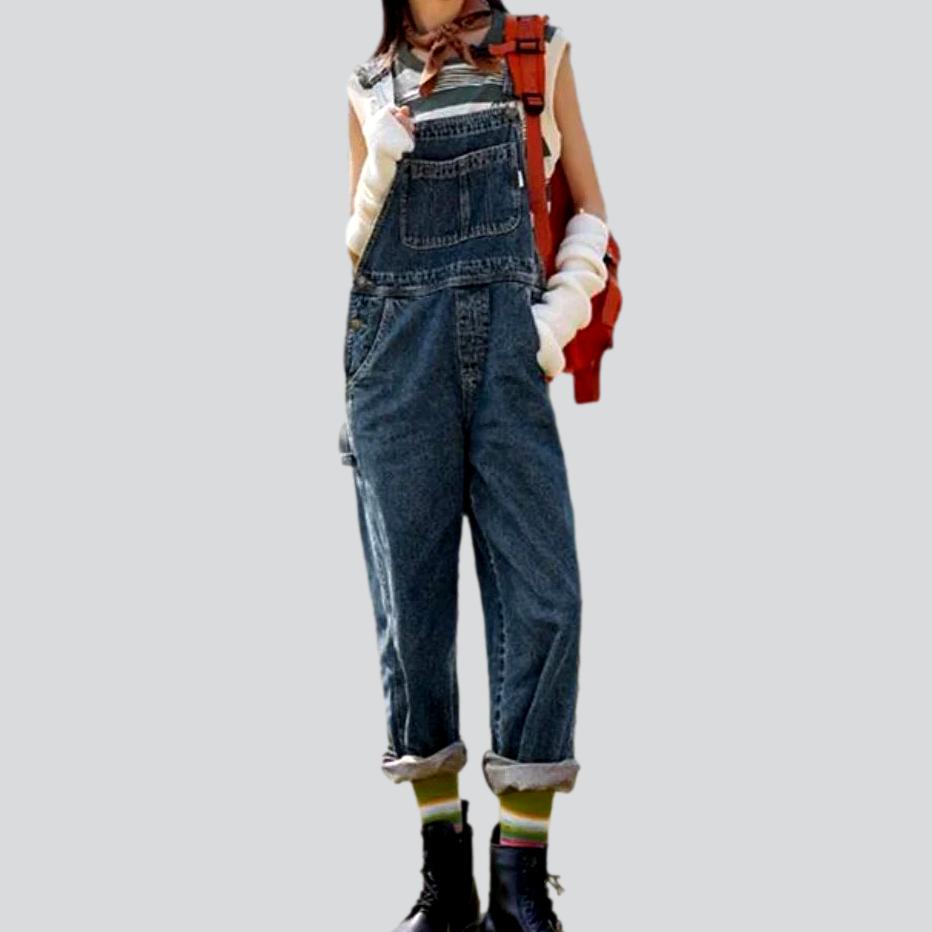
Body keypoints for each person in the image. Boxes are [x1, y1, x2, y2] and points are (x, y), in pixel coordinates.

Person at [339, 1, 610, 929]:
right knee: (412, 616)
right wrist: (379, 162)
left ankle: (521, 886)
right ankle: (445, 878)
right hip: (394, 359)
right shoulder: (367, 86)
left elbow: (590, 212)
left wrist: (552, 323)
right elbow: (357, 251)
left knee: (545, 599)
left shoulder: (536, 51)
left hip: (507, 352)